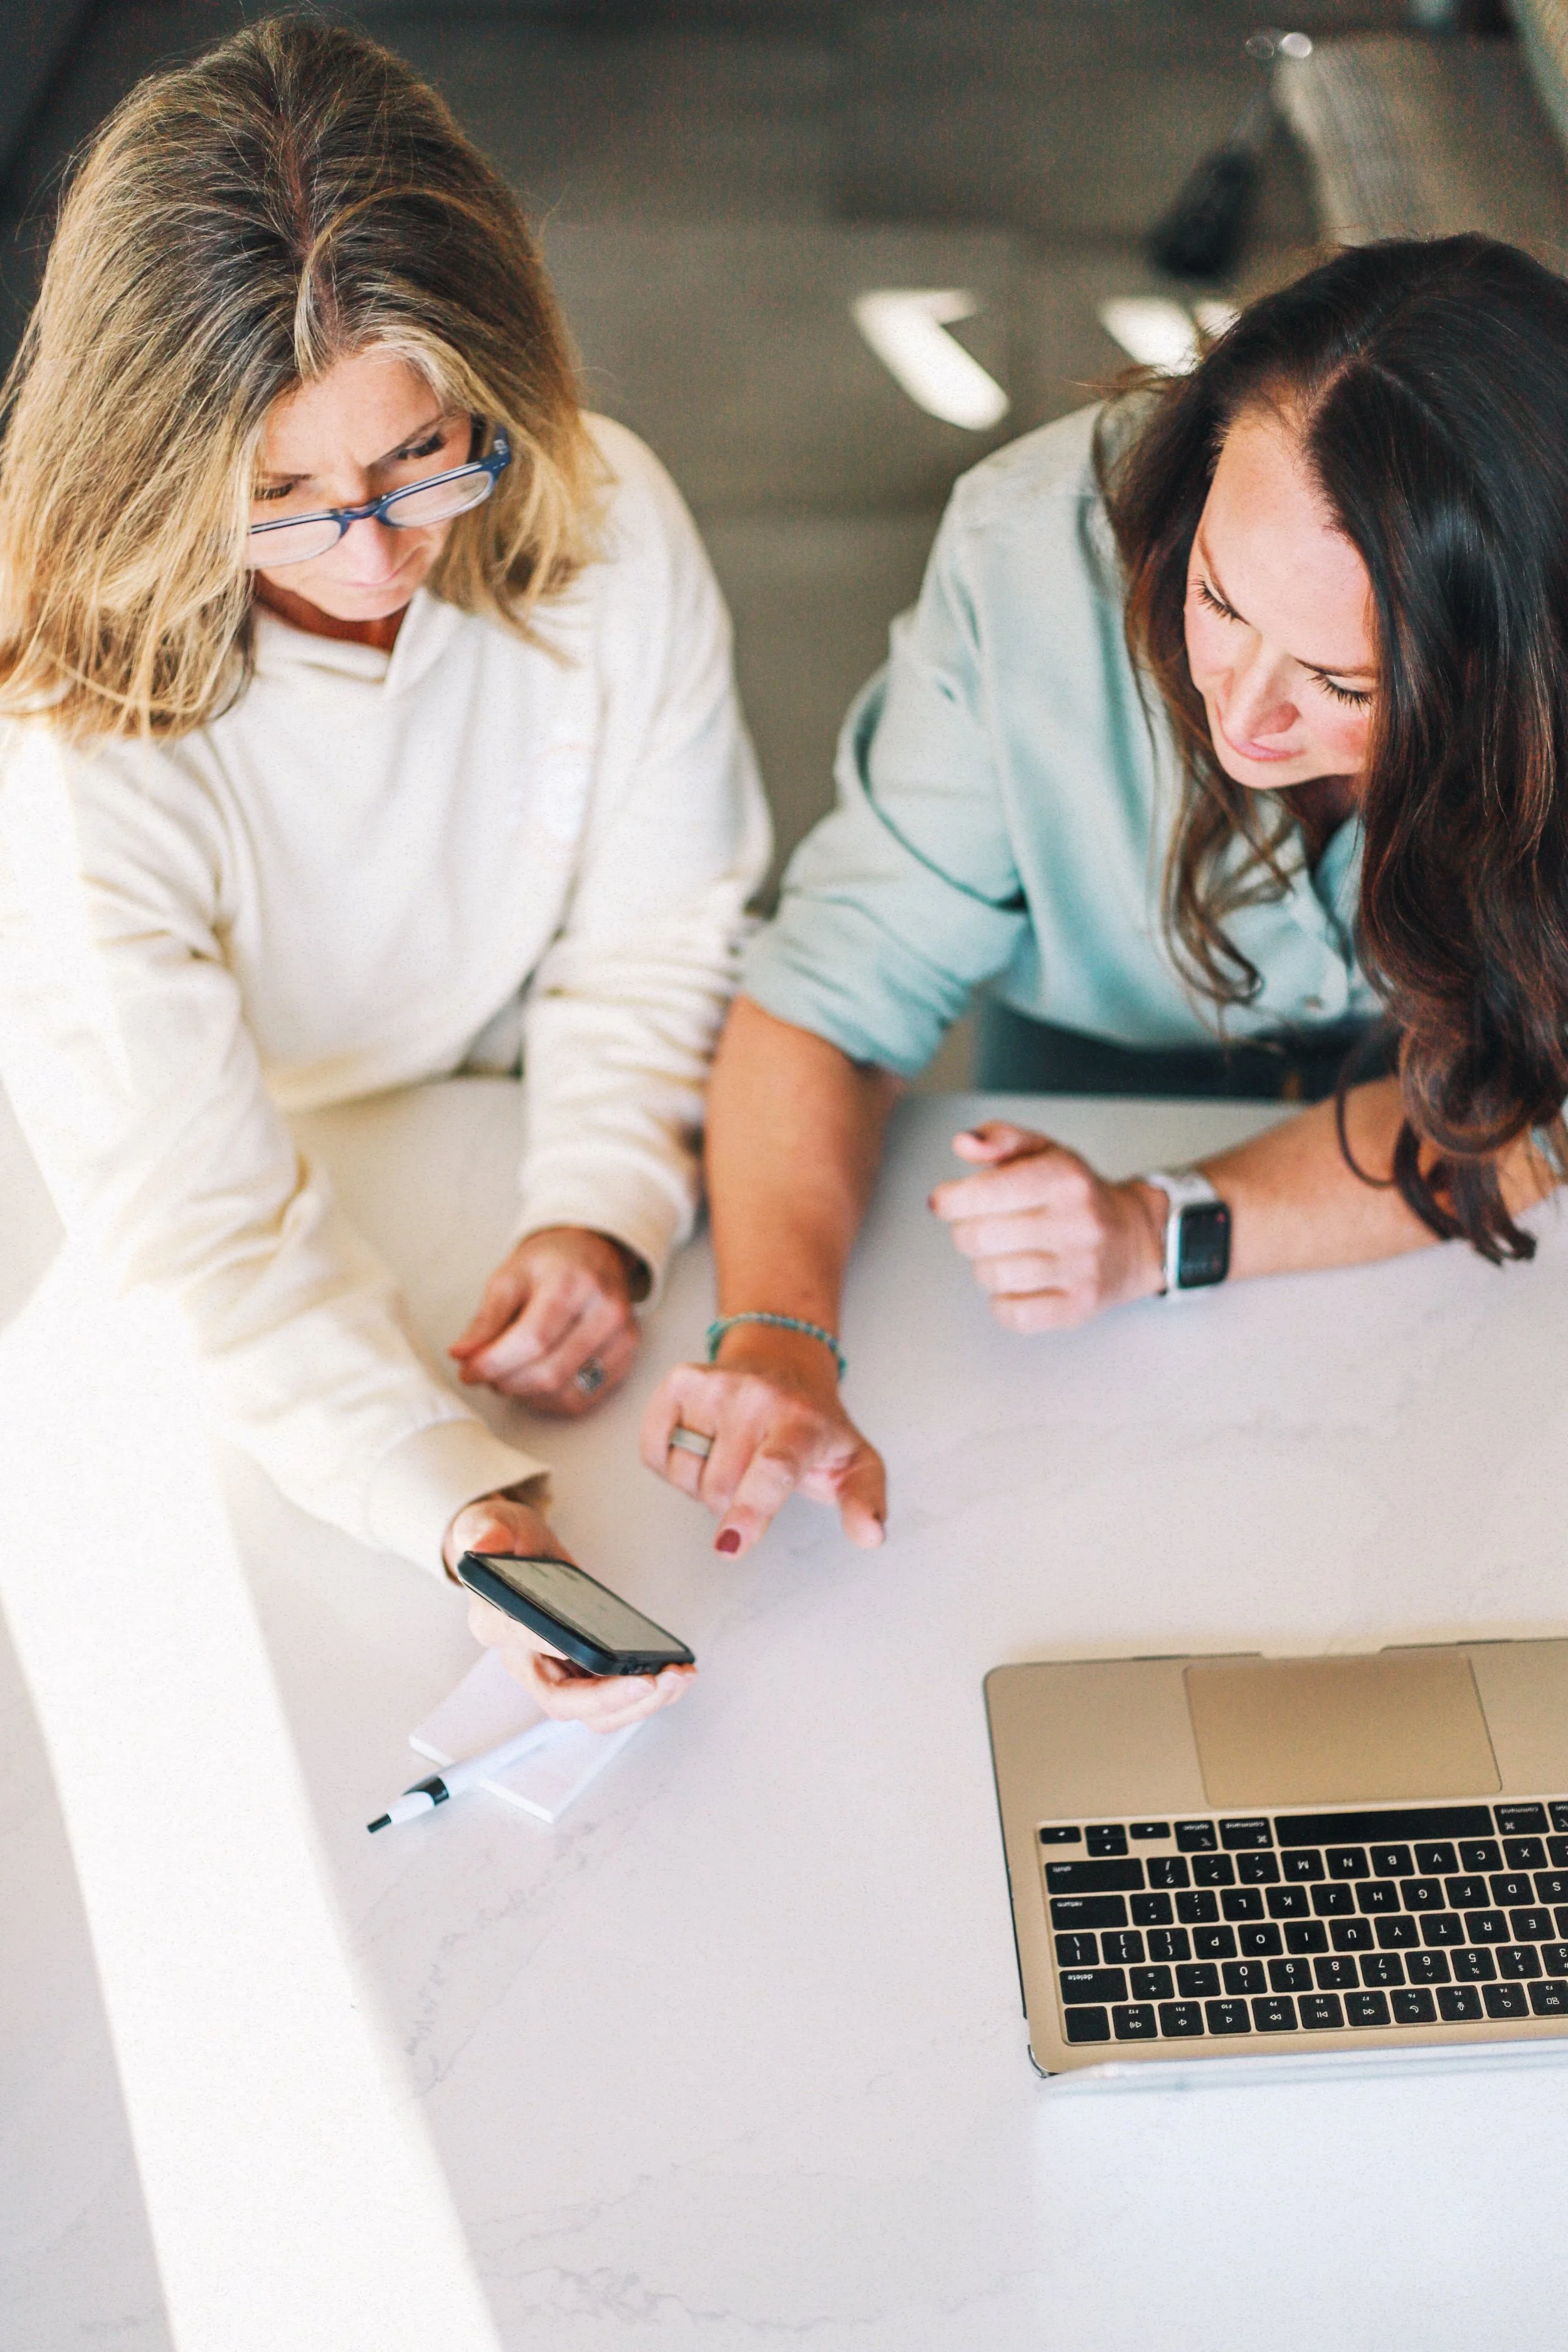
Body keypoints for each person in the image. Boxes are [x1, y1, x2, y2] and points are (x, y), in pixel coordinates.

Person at [0, 19, 769, 1729]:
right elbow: (194, 1208)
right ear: (148, 472)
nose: (368, 554)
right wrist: (442, 1497)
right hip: (123, 1194)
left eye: (421, 457)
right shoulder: (57, 706)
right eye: (278, 495)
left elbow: (658, 928)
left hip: (473, 1116)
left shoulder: (609, 523)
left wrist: (600, 1201)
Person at [644, 235, 1568, 1558]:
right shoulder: (1029, 550)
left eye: (1345, 685)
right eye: (1215, 598)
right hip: (1085, 1051)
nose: (1239, 712)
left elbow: (1530, 1105)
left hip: (1467, 1137)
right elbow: (835, 997)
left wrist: (1161, 1230)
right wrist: (779, 1340)